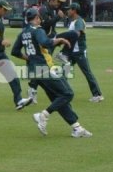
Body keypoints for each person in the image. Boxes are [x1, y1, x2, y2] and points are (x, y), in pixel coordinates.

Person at [11, 8, 92, 137]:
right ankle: (43, 115)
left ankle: (77, 128)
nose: (40, 20)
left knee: (58, 98)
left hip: (33, 71)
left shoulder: (23, 33)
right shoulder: (38, 30)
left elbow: (14, 51)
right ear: (37, 18)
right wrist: (60, 40)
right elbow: (45, 42)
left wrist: (29, 58)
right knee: (68, 94)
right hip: (43, 68)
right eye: (39, 18)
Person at [28, 0, 78, 103]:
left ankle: (63, 54)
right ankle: (32, 90)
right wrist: (57, 17)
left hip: (53, 38)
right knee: (42, 66)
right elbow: (45, 24)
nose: (59, 4)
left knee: (73, 34)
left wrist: (61, 17)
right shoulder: (43, 9)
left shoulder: (53, 9)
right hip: (45, 42)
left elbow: (54, 24)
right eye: (58, 1)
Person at [60, 2, 104, 102]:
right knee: (64, 71)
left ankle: (97, 95)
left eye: (69, 9)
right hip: (71, 52)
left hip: (79, 52)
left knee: (87, 72)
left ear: (74, 10)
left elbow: (77, 34)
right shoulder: (73, 21)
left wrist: (64, 38)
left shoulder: (79, 21)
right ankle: (63, 93)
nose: (68, 11)